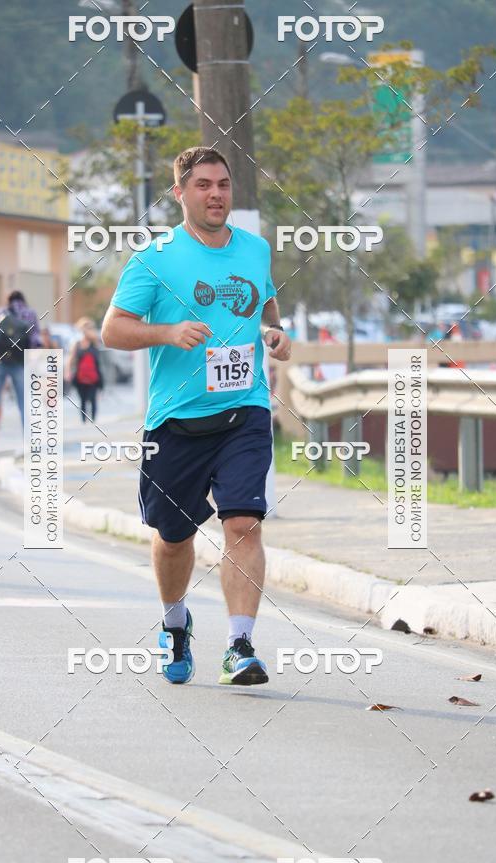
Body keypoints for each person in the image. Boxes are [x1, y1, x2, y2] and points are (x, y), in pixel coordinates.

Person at [101, 146, 292, 687]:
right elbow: (112, 330)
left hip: (244, 411)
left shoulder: (255, 250)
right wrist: (168, 332)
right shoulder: (154, 259)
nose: (216, 194)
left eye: (224, 185)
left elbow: (267, 309)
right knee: (173, 535)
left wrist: (276, 336)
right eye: (204, 185)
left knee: (243, 523)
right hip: (176, 420)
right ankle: (176, 623)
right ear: (180, 193)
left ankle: (239, 645)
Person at [0, 290, 40, 451]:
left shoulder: (1, 312)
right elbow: (35, 340)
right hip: (19, 363)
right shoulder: (30, 313)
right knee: (23, 404)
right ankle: (29, 442)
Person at [68, 324, 104, 422]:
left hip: (93, 377)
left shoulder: (94, 344)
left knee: (92, 399)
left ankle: (93, 420)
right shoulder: (77, 344)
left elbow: (98, 359)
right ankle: (84, 420)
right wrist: (68, 371)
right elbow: (71, 359)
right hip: (80, 377)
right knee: (82, 400)